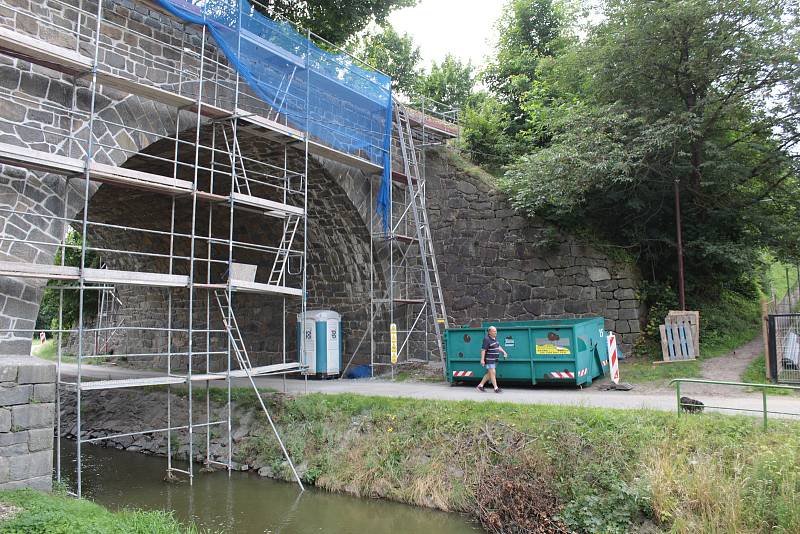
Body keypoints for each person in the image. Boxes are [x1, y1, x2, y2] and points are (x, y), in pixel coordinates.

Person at [477, 326, 507, 393]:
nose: (495, 332)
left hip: (494, 360)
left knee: (489, 374)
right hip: (489, 359)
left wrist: (504, 352)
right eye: (494, 331)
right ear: (489, 332)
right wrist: (482, 359)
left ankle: (480, 385)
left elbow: (497, 346)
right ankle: (496, 388)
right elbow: (483, 350)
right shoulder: (486, 339)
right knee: (493, 372)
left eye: (496, 331)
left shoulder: (494, 339)